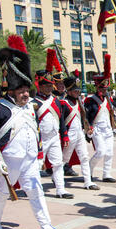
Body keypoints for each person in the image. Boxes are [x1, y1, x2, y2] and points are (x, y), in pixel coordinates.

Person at [0, 34, 65, 229]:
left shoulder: (31, 108)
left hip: (29, 161)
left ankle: (46, 227)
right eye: (21, 90)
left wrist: (38, 157)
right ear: (12, 90)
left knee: (36, 193)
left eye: (27, 90)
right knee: (1, 193)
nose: (26, 94)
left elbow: (35, 133)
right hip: (9, 161)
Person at [33, 49, 73, 199]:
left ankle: (60, 189)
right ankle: (34, 189)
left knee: (58, 163)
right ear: (40, 86)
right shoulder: (34, 102)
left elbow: (61, 120)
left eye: (51, 86)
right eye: (46, 86)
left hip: (54, 137)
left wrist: (64, 135)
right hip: (40, 139)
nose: (49, 88)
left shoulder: (55, 100)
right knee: (36, 166)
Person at [60, 76, 100, 191]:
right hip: (69, 134)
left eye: (78, 90)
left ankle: (88, 182)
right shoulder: (63, 103)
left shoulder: (79, 103)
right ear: (68, 91)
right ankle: (56, 176)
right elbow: (62, 122)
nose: (77, 92)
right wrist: (64, 136)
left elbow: (83, 119)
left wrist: (88, 129)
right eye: (75, 90)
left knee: (84, 157)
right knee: (64, 159)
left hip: (79, 134)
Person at [84, 54, 116, 183]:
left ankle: (106, 174)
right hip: (96, 129)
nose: (104, 91)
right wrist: (88, 129)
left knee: (109, 153)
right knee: (101, 152)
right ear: (97, 88)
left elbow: (114, 110)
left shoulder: (108, 99)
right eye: (102, 88)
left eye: (106, 89)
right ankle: (89, 170)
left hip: (108, 129)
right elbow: (86, 116)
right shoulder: (90, 100)